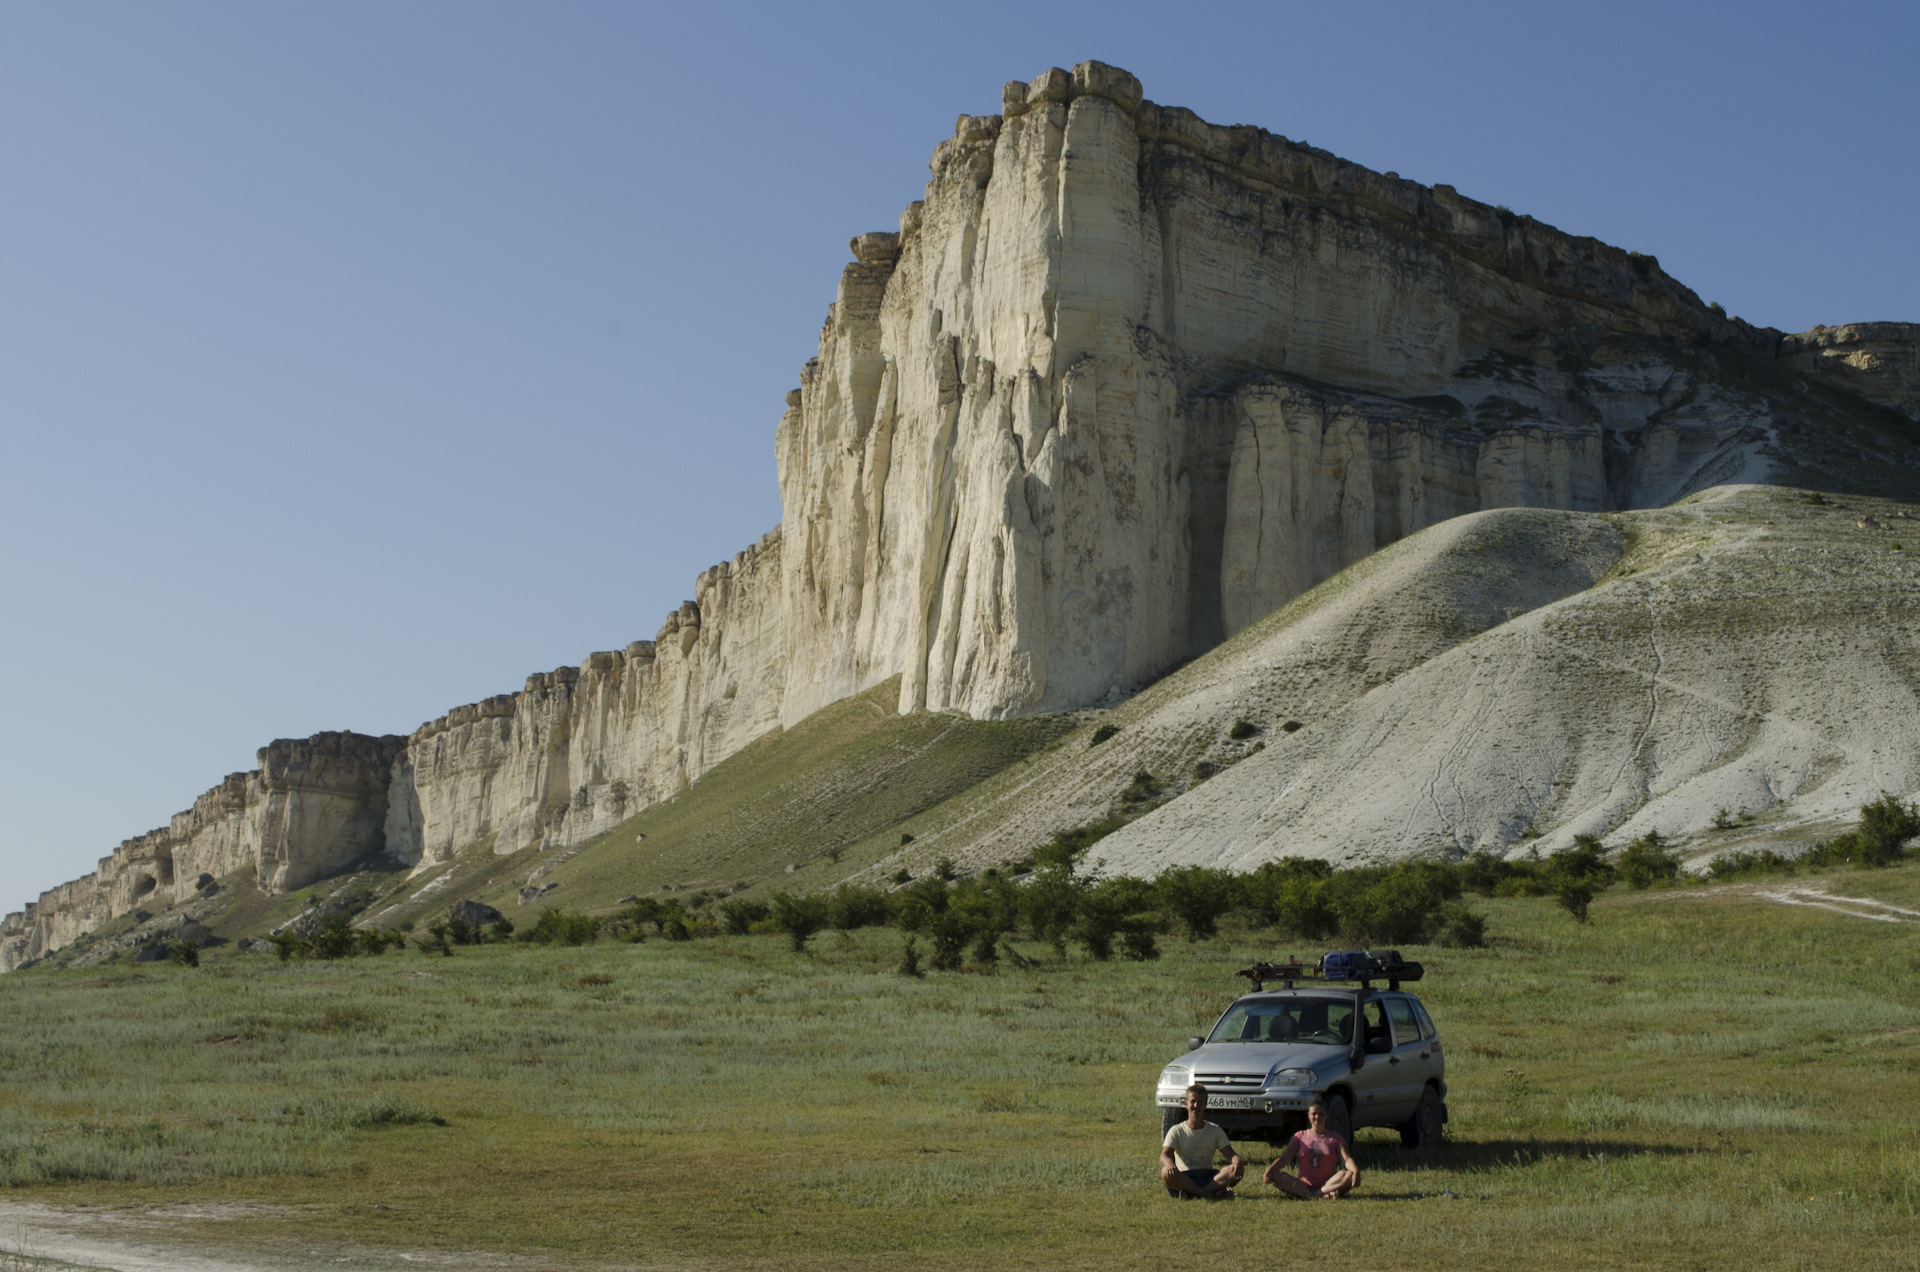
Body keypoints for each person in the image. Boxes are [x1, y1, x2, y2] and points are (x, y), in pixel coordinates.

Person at [1263, 1097, 1360, 1199]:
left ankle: (1315, 1195)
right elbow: (1284, 1159)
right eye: (1314, 1114)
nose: (1317, 1117)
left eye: (1321, 1114)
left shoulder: (1336, 1138)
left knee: (1348, 1174)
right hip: (1303, 1185)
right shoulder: (1299, 1136)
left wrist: (1356, 1171)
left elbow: (1347, 1159)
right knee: (1274, 1174)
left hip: (1328, 1184)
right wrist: (1269, 1170)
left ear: (1327, 1115)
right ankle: (1316, 1196)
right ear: (1308, 1116)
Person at [1160, 1084, 1245, 1199]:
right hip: (1186, 1176)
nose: (1196, 1105)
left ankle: (1192, 1194)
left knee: (1232, 1170)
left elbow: (1231, 1155)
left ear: (1205, 1105)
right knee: (1165, 1172)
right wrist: (1169, 1164)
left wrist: (1237, 1162)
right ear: (1186, 1104)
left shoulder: (1215, 1130)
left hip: (1209, 1177)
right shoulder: (1176, 1130)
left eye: (1200, 1102)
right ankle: (1209, 1194)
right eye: (1193, 1101)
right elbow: (1164, 1155)